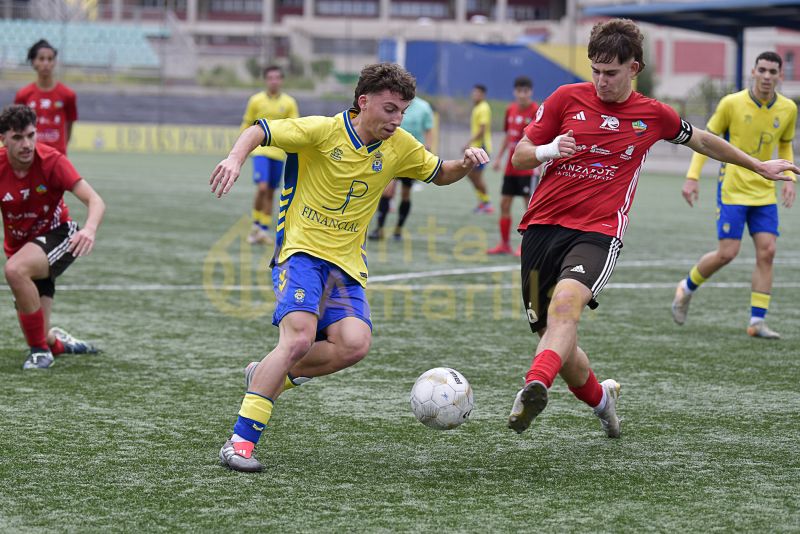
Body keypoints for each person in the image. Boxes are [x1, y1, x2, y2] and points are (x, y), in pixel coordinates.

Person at [505, 19, 798, 438]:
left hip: (598, 233)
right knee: (554, 338)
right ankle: (602, 400)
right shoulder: (565, 98)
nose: (601, 81)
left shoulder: (653, 114)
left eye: (611, 73)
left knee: (565, 308)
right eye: (595, 71)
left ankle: (534, 385)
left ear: (634, 68)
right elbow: (519, 155)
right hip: (540, 229)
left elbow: (703, 140)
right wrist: (549, 149)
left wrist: (757, 165)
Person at [209, 63, 489, 472]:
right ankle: (240, 442)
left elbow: (439, 172)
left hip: (346, 266)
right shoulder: (322, 131)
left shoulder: (400, 146)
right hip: (301, 253)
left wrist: (464, 164)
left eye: (402, 112)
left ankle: (266, 374)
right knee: (299, 339)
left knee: (354, 344)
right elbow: (260, 130)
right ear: (364, 102)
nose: (397, 120)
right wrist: (235, 158)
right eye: (390, 109)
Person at [672, 52, 797, 339]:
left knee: (768, 251)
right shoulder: (731, 103)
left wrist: (790, 178)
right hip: (733, 188)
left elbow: (785, 144)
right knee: (728, 253)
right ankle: (686, 287)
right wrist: (692, 177)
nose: (767, 76)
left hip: (764, 192)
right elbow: (703, 141)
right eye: (762, 70)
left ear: (780, 76)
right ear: (753, 72)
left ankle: (757, 321)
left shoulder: (788, 108)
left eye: (773, 72)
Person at [0, 105, 105, 369]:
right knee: (39, 330)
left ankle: (40, 354)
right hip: (21, 248)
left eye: (31, 135)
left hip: (59, 236)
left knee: (15, 271)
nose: (27, 144)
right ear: (3, 140)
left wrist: (89, 229)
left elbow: (95, 200)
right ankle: (58, 344)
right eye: (17, 138)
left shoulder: (52, 161)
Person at [240, 65, 299, 245]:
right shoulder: (255, 100)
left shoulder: (289, 102)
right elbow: (247, 124)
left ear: (281, 80)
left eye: (277, 78)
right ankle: (255, 226)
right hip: (260, 151)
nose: (274, 81)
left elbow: (295, 127)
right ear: (266, 80)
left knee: (271, 192)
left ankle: (263, 230)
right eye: (270, 78)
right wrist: (242, 148)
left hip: (279, 153)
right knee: (262, 188)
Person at [368, 95, 435, 241]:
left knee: (405, 194)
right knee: (387, 192)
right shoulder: (394, 103)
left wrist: (428, 149)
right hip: (391, 153)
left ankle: (398, 229)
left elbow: (429, 129)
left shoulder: (424, 107)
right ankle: (379, 229)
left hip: (410, 156)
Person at [487, 76, 538, 256]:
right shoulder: (510, 109)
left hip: (528, 167)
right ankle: (504, 244)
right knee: (504, 204)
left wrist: (540, 163)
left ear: (531, 92)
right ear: (514, 92)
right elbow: (508, 135)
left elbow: (542, 137)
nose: (522, 95)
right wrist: (499, 158)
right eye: (519, 91)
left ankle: (526, 246)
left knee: (529, 208)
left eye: (526, 91)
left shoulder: (537, 111)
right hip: (511, 166)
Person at [14, 39, 77, 156]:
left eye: (50, 59)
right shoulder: (23, 95)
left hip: (57, 156)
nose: (46, 63)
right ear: (34, 62)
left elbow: (69, 124)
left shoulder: (68, 94)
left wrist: (61, 149)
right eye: (41, 59)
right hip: (32, 156)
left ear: (54, 62)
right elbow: (17, 127)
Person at [465, 84, 494, 213]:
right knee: (472, 175)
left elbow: (482, 130)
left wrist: (468, 142)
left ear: (483, 95)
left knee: (475, 175)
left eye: (478, 93)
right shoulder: (477, 107)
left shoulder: (483, 108)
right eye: (474, 93)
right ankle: (484, 202)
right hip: (476, 147)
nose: (475, 95)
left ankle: (486, 203)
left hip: (482, 148)